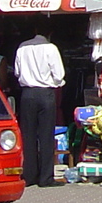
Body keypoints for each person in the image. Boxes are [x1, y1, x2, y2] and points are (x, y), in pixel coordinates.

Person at [12, 25, 66, 187]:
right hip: (46, 94)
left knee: (28, 136)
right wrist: (54, 83)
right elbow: (59, 74)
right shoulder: (51, 48)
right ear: (49, 33)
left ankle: (29, 175)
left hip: (27, 94)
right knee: (46, 136)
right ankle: (45, 178)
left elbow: (17, 72)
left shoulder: (22, 47)